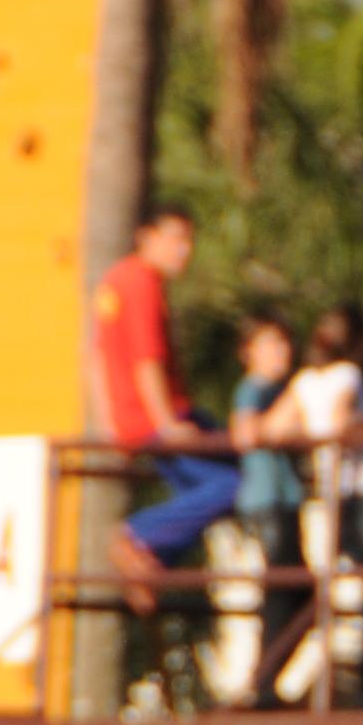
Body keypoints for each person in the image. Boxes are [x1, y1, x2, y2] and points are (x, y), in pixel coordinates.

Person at [94, 204, 235, 608]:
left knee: (214, 484)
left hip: (138, 419)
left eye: (188, 240)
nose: (184, 250)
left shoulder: (115, 280)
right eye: (175, 238)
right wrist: (167, 424)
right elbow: (146, 361)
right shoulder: (141, 283)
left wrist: (110, 423)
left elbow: (97, 356)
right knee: (236, 482)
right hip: (157, 418)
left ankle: (148, 560)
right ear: (147, 237)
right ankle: (138, 538)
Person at [284, 305, 363, 706]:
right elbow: (339, 424)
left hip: (332, 485)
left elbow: (275, 426)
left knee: (353, 582)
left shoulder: (304, 382)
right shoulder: (347, 376)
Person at [228, 318, 310, 708]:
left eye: (284, 344)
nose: (282, 353)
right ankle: (264, 682)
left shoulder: (273, 391)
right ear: (250, 352)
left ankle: (267, 677)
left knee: (301, 592)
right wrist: (280, 420)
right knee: (284, 589)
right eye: (271, 344)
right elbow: (246, 433)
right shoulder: (256, 390)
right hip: (268, 500)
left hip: (284, 499)